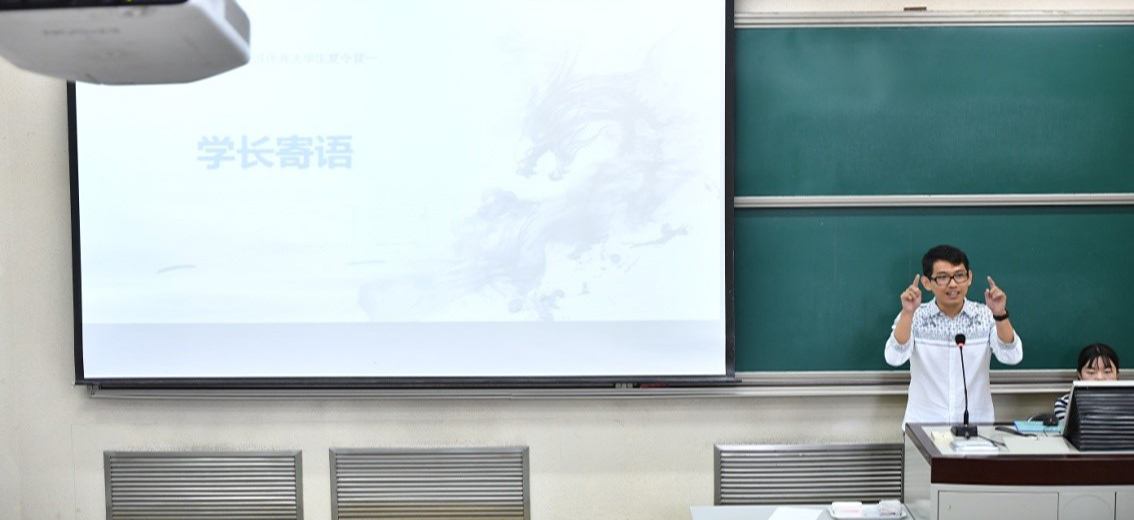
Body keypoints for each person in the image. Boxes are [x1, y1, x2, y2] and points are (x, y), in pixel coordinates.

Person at [884, 245, 1023, 428]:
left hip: (975, 427)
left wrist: (1000, 314)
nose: (952, 284)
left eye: (959, 275)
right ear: (927, 283)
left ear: (969, 277)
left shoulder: (985, 315)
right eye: (942, 277)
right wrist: (908, 313)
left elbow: (1012, 357)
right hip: (923, 427)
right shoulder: (914, 317)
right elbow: (894, 358)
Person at [1053, 343, 1120, 422]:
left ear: (1117, 375)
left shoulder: (1128, 402)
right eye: (1091, 372)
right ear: (1080, 375)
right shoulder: (1065, 404)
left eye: (1107, 372)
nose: (1100, 378)